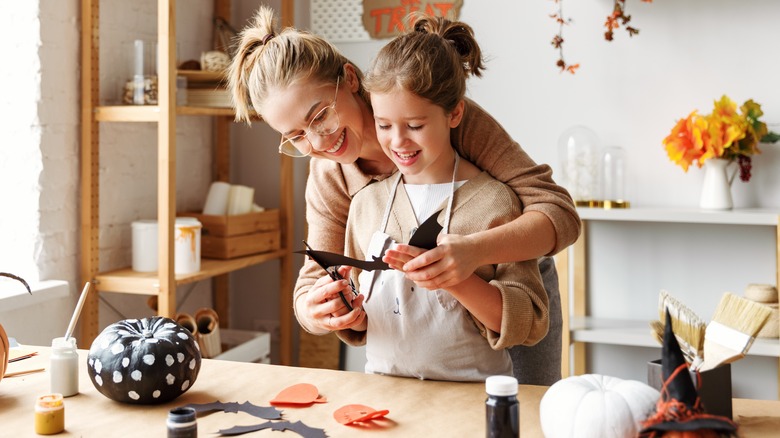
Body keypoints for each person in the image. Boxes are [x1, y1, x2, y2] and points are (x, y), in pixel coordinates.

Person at [227, 6, 579, 383]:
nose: (317, 141)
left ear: (348, 79)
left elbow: (559, 213)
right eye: (296, 136)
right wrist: (315, 310)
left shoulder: (436, 112)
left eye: (319, 117)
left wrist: (473, 252)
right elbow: (316, 276)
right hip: (410, 338)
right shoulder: (332, 175)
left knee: (525, 414)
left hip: (507, 270)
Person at [334, 13, 550, 381]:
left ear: (455, 114)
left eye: (415, 126)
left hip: (470, 402)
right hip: (385, 399)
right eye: (384, 126)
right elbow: (362, 318)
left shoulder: (496, 204)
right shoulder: (366, 206)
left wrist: (454, 279)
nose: (398, 141)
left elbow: (527, 323)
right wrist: (345, 306)